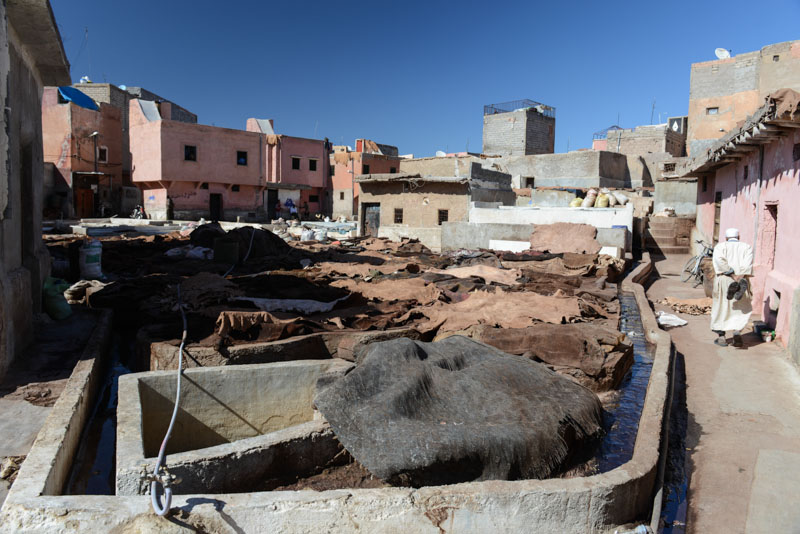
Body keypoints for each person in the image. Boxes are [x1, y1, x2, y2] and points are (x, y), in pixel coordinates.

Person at [710, 228, 754, 347]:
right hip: (742, 278)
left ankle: (722, 337)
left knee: (721, 306)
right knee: (740, 307)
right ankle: (737, 333)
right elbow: (748, 263)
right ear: (738, 237)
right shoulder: (747, 247)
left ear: (726, 238)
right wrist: (740, 277)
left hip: (725, 279)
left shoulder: (720, 246)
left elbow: (719, 261)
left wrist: (732, 275)